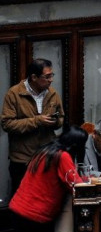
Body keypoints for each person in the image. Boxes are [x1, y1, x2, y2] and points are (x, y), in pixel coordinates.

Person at [9, 125, 86, 232]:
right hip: (34, 214)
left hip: (19, 208)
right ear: (76, 144)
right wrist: (89, 180)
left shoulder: (45, 150)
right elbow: (75, 184)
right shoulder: (63, 156)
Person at [1, 58, 64, 195]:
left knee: (46, 199)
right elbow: (7, 124)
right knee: (22, 202)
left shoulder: (52, 93)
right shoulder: (14, 94)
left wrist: (56, 121)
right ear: (34, 77)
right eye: (47, 76)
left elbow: (61, 118)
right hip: (23, 160)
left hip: (47, 157)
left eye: (52, 75)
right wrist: (37, 121)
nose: (51, 80)